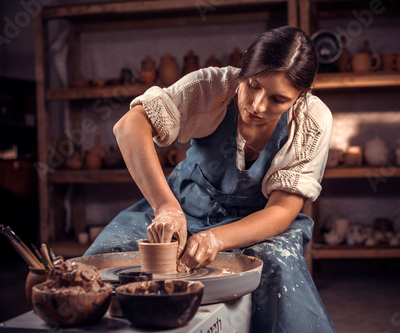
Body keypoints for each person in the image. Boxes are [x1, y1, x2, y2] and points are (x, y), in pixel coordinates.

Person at [85, 25, 335, 332]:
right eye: (253, 85)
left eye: (277, 99)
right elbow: (129, 126)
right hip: (184, 204)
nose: (257, 106)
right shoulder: (212, 87)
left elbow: (282, 210)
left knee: (274, 266)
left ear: (303, 94)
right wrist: (166, 207)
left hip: (258, 220)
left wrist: (217, 239)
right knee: (104, 263)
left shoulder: (311, 121)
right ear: (244, 64)